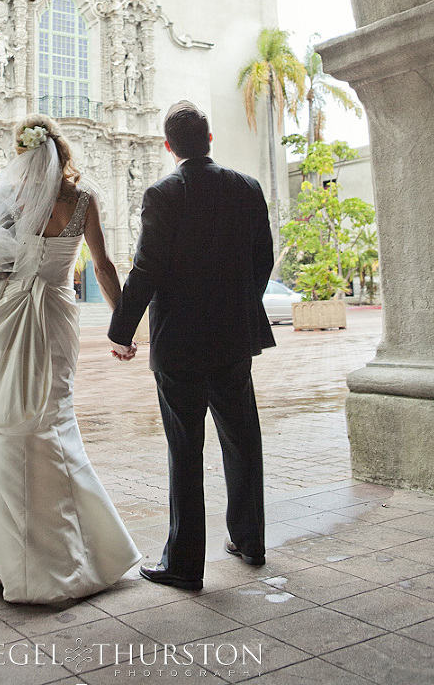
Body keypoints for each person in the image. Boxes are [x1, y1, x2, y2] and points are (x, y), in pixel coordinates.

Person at [0, 114, 140, 603]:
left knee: (15, 428)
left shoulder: (14, 201)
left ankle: (16, 559)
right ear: (62, 148)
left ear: (23, 152)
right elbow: (103, 265)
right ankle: (83, 551)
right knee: (56, 420)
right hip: (56, 316)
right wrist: (123, 329)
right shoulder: (84, 201)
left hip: (14, 318)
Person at [108, 100, 274, 590]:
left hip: (178, 340)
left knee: (186, 448)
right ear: (209, 140)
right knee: (242, 439)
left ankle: (184, 564)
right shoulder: (247, 187)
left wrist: (122, 331)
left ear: (168, 146)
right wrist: (238, 306)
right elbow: (261, 260)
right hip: (233, 338)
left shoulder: (164, 193)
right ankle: (250, 540)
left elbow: (146, 268)